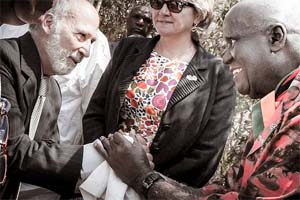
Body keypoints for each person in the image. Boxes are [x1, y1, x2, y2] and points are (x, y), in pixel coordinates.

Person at [94, 0, 300, 199]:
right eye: (157, 2)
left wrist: (142, 177)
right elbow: (225, 190)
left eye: (232, 42)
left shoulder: (296, 111)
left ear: (275, 37)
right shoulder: (278, 105)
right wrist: (133, 167)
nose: (227, 56)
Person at [84, 0, 236, 188]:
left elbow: (206, 154)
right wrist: (108, 160)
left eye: (175, 5)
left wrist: (147, 181)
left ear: (198, 14)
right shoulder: (128, 48)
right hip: (100, 176)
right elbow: (95, 112)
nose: (163, 11)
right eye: (157, 2)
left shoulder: (218, 74)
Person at [0, 0, 100, 199]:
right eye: (81, 35)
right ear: (48, 23)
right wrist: (91, 159)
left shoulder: (52, 90)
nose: (87, 51)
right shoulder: (3, 59)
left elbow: (45, 157)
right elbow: (11, 149)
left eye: (91, 41)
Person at [54, 30, 111, 145]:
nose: (86, 51)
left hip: (62, 148)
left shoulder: (97, 44)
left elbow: (93, 110)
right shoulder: (14, 26)